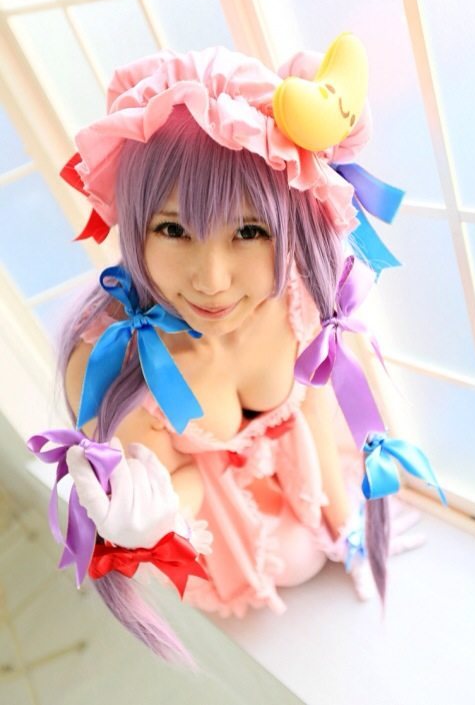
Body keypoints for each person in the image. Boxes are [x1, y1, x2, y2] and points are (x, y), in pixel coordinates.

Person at [28, 39, 443, 666]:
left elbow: (314, 407)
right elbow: (182, 478)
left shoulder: (296, 295)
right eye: (172, 229)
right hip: (222, 523)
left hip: (301, 470)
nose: (212, 280)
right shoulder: (120, 361)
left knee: (313, 551)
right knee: (293, 565)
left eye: (248, 230)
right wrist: (148, 523)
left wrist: (346, 524)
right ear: (134, 224)